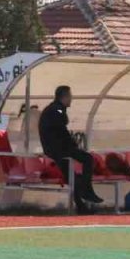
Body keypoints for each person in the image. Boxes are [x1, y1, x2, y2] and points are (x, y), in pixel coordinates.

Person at [38, 85, 102, 213]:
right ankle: (87, 190)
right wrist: (73, 145)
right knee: (88, 159)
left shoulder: (56, 109)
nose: (71, 100)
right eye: (70, 97)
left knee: (71, 176)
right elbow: (61, 131)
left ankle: (81, 206)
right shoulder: (57, 110)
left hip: (54, 148)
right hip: (58, 148)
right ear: (64, 97)